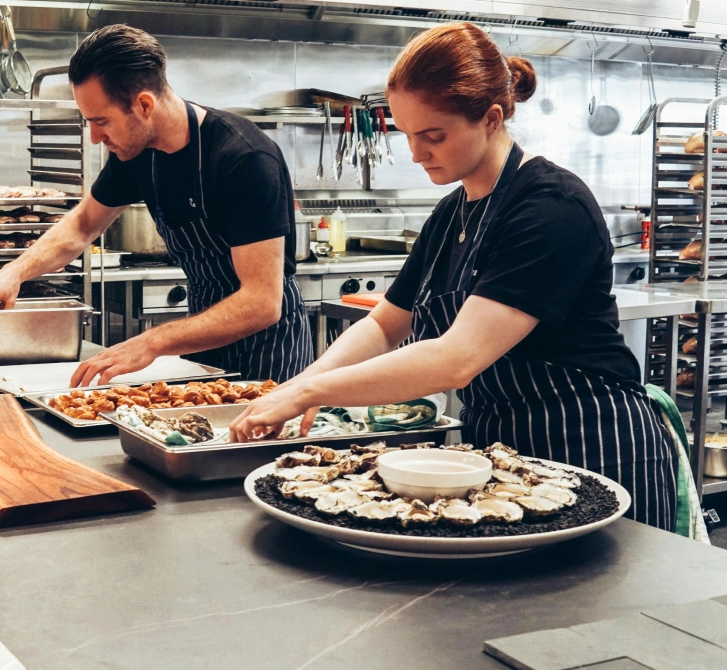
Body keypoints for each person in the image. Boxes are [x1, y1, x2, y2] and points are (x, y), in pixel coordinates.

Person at [230, 22, 678, 530]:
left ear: (490, 118)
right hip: (502, 457)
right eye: (407, 136)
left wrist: (313, 393)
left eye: (433, 136)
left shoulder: (551, 207)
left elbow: (456, 359)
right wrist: (300, 384)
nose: (417, 154)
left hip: (593, 445)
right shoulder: (451, 214)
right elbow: (383, 326)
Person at [0, 25, 312, 385]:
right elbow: (84, 224)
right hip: (202, 338)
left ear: (144, 105)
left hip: (269, 352)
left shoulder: (243, 157)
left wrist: (152, 342)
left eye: (102, 122)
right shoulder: (137, 154)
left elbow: (261, 302)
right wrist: (14, 272)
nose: (96, 137)